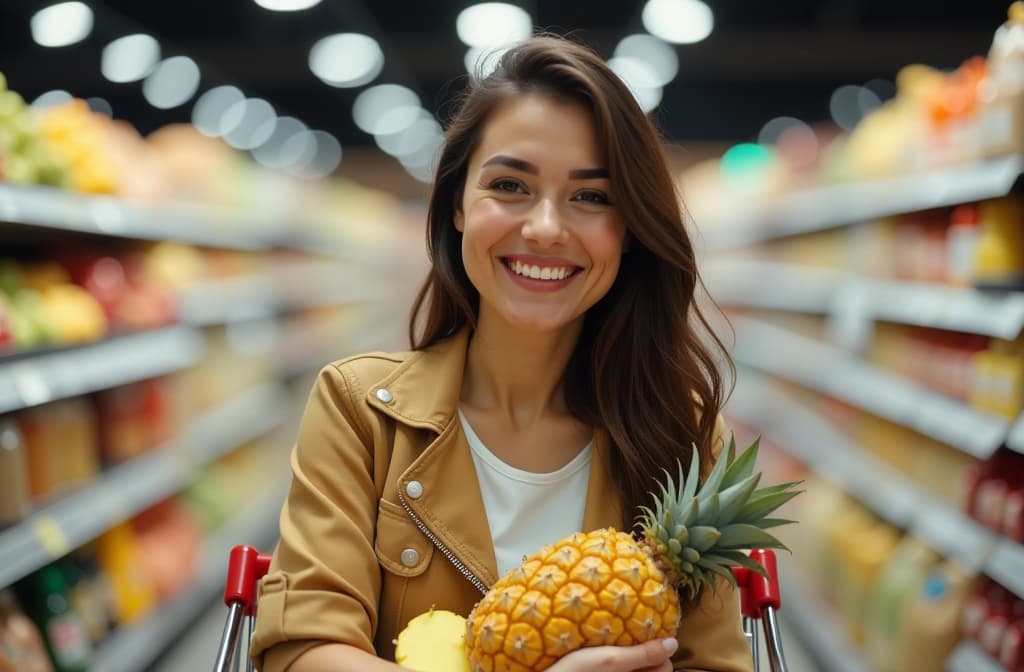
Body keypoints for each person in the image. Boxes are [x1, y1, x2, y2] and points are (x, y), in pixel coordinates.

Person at [249, 34, 751, 672]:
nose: (544, 227)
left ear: (629, 232)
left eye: (592, 196)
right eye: (510, 185)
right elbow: (302, 652)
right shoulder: (361, 412)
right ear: (457, 205)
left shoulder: (683, 432)